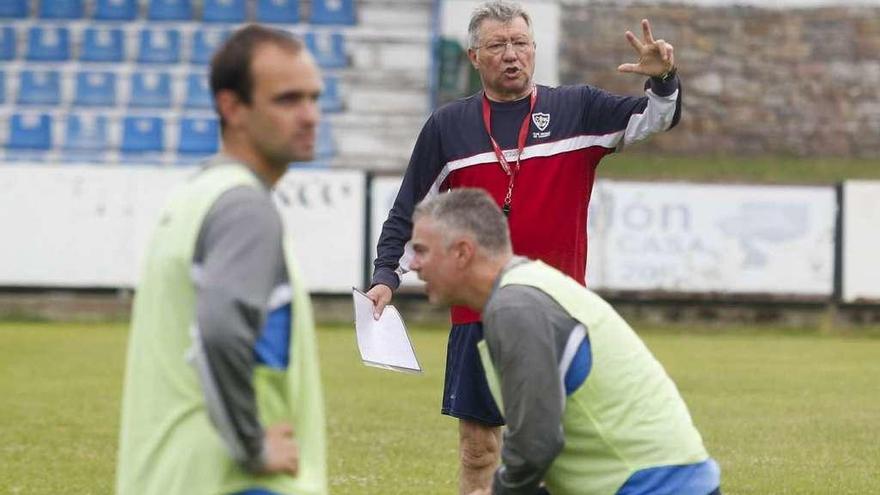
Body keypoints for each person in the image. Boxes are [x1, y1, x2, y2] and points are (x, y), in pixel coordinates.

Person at [366, 1, 682, 491]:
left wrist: (663, 80)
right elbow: (410, 208)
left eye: (520, 43)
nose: (511, 54)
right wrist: (387, 274)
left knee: (561, 450)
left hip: (558, 310)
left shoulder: (578, 108)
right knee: (478, 451)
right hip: (477, 312)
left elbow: (655, 118)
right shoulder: (448, 127)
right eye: (497, 45)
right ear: (475, 56)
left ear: (534, 50)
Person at [115, 25, 327, 495]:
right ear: (232, 107)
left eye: (314, 97)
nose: (310, 115)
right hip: (235, 479)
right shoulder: (245, 207)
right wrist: (253, 447)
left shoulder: (193, 198)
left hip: (170, 473)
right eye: (288, 100)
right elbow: (220, 328)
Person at [409, 188, 721, 495]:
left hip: (651, 486)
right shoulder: (527, 288)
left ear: (462, 252)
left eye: (422, 250)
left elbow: (536, 444)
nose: (413, 263)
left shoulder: (515, 306)